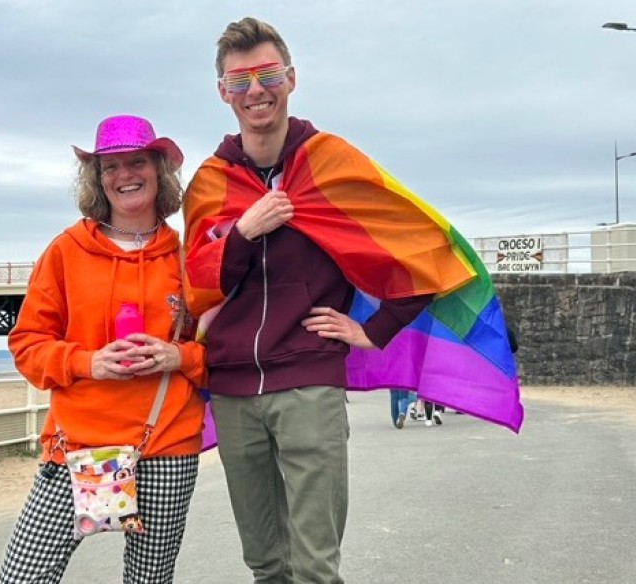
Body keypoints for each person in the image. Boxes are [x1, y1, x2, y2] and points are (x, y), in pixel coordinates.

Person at [181, 17, 442, 582]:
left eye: (268, 74)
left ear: (291, 78)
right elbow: (196, 285)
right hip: (232, 388)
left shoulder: (331, 161)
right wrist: (243, 232)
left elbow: (423, 249)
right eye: (240, 80)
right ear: (222, 92)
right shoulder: (208, 182)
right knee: (266, 563)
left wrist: (374, 330)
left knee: (315, 566)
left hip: (308, 381)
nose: (255, 91)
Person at [0, 114, 207, 584]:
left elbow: (221, 352)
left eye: (137, 162)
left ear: (159, 171)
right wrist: (88, 362)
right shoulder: (66, 252)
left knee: (149, 580)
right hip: (78, 448)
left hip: (165, 445)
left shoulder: (186, 257)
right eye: (110, 166)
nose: (124, 175)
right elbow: (27, 346)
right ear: (96, 178)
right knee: (23, 576)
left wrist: (180, 357)